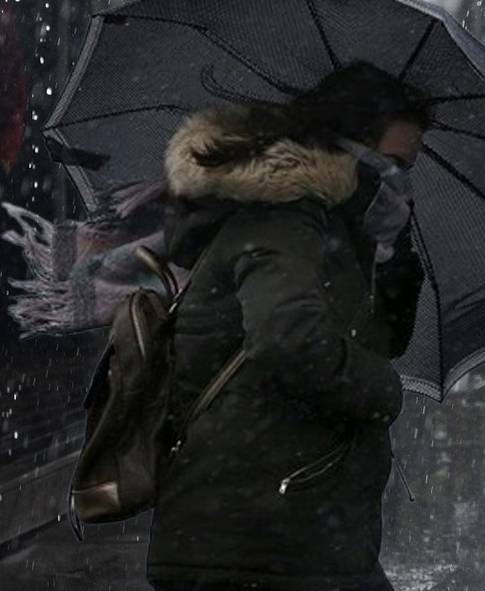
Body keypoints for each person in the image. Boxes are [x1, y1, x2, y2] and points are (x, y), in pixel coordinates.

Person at [144, 62, 425, 591]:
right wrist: (383, 391)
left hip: (291, 524)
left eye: (408, 168)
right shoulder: (287, 219)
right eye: (391, 164)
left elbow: (377, 339)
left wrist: (393, 259)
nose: (400, 181)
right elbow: (288, 338)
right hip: (257, 533)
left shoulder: (340, 231)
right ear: (350, 150)